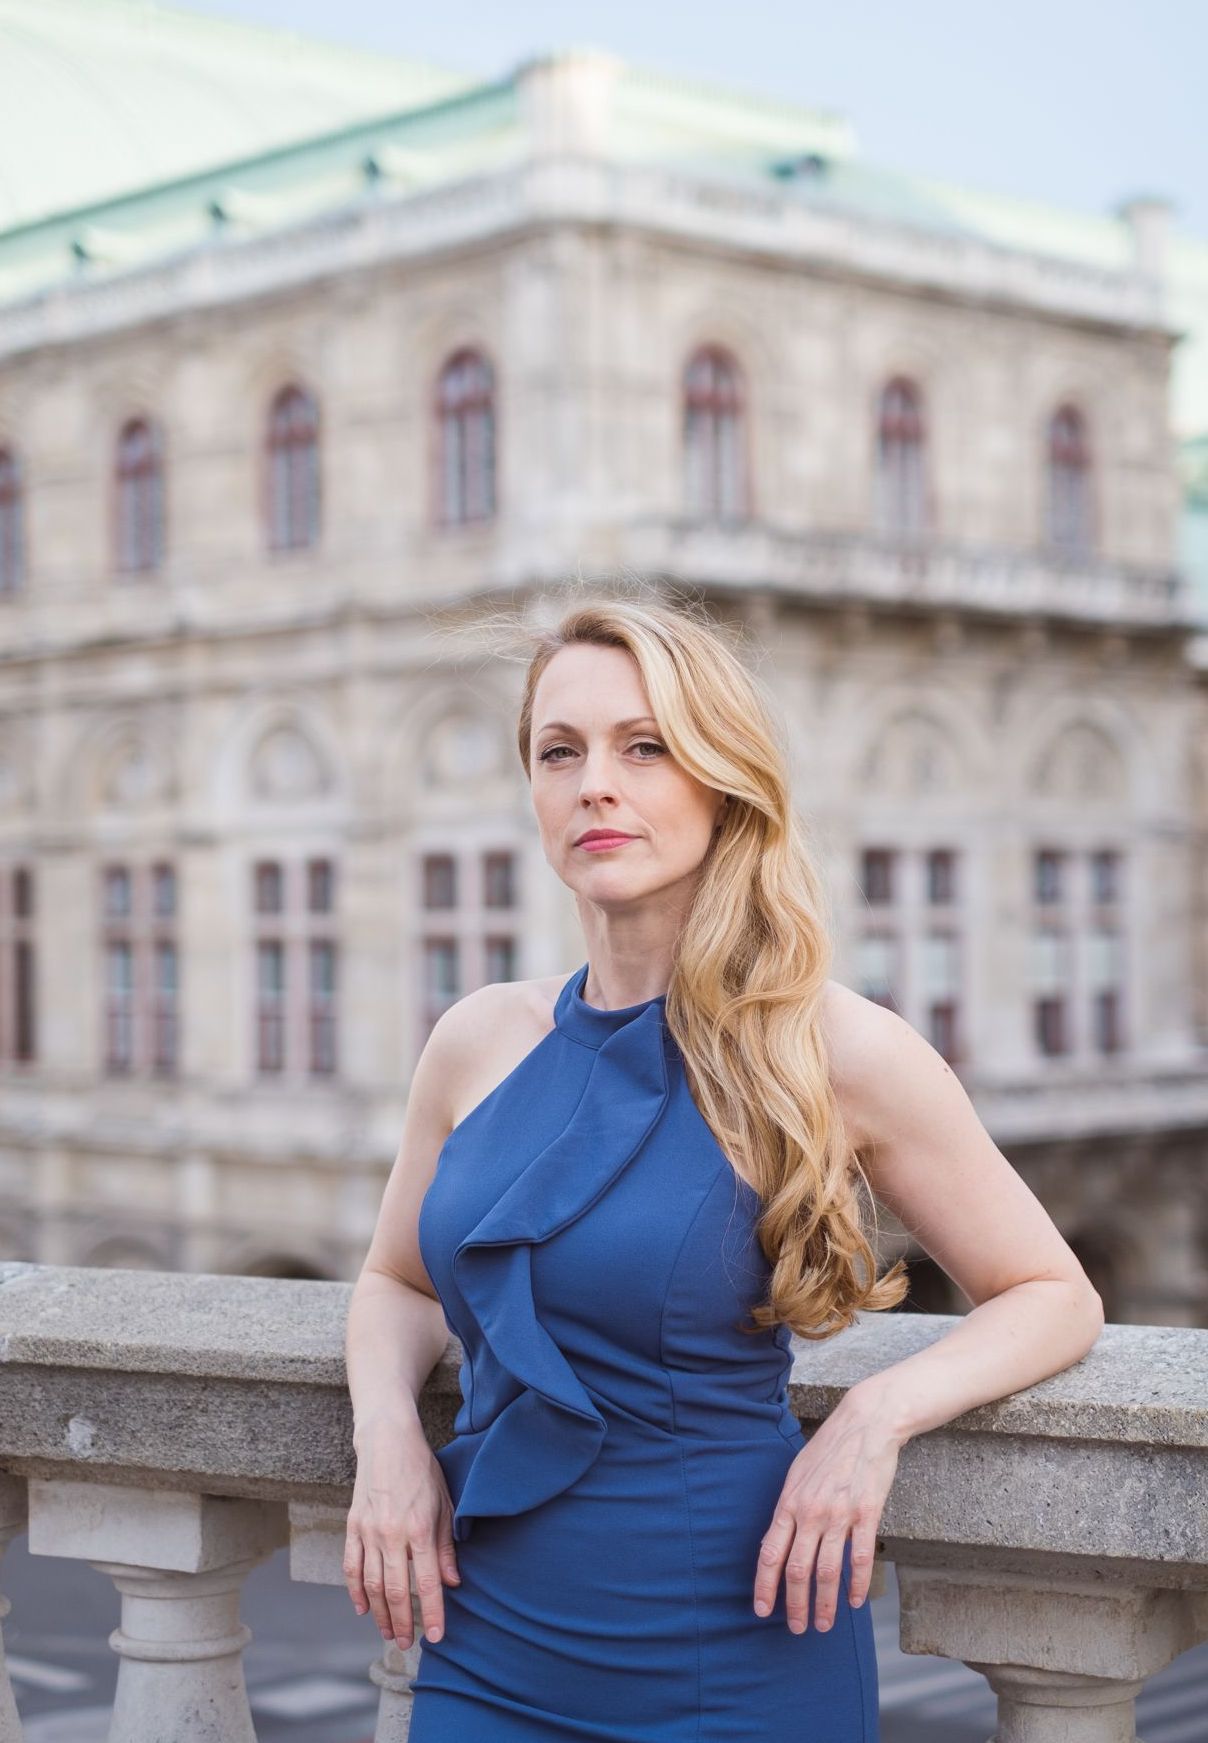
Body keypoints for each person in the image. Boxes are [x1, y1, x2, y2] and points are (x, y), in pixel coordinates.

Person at [342, 589, 1105, 1740]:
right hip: (479, 1631)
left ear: (721, 779)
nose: (594, 784)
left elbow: (1052, 1293)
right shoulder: (475, 1039)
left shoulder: (832, 1046)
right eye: (559, 751)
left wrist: (874, 1415)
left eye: (643, 747)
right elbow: (395, 1283)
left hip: (729, 1650)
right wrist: (387, 1438)